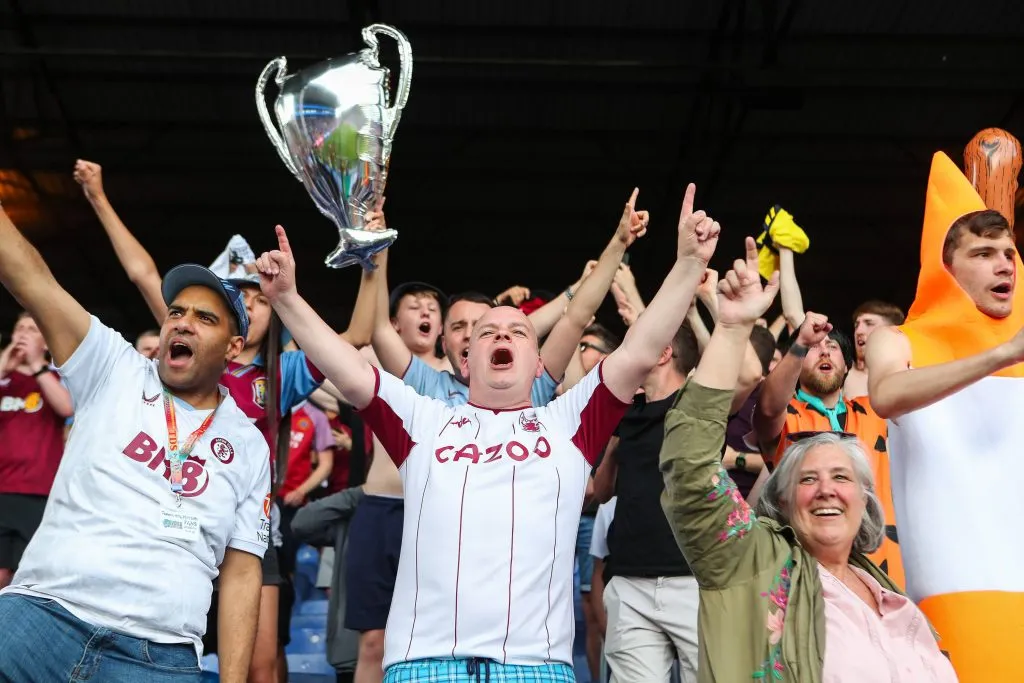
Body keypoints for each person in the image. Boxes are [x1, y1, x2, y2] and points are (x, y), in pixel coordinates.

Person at [255, 181, 719, 681]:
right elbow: (346, 368)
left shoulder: (570, 424)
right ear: (465, 358)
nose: (502, 334)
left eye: (518, 330)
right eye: (486, 333)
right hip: (422, 667)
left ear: (538, 360)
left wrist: (689, 264)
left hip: (534, 670)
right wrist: (286, 300)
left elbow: (640, 350)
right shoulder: (423, 420)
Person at [659, 236, 956, 682]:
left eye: (841, 476)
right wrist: (734, 327)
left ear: (865, 497)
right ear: (781, 495)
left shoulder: (891, 595)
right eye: (807, 479)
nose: (826, 490)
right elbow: (692, 469)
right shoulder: (754, 562)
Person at [0, 205, 270, 682]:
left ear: (233, 347)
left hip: (157, 655)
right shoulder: (112, 366)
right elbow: (32, 279)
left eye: (205, 318)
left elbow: (243, 571)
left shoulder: (249, 444)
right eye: (176, 312)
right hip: (41, 618)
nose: (182, 323)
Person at [865, 152, 1024, 682]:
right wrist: (1000, 356)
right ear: (946, 266)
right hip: (953, 579)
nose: (1005, 263)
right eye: (984, 253)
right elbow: (885, 394)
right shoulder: (902, 339)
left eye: (1009, 252)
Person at [753, 313, 902, 585]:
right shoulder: (786, 415)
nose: (824, 351)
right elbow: (767, 407)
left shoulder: (875, 409)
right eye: (814, 348)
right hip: (807, 574)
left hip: (881, 570)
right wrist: (799, 343)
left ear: (847, 367)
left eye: (833, 347)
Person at [0, 313, 73, 589]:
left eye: (32, 329)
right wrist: (5, 368)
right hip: (2, 488)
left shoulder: (56, 376)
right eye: (19, 327)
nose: (23, 333)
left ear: (44, 341)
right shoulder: (4, 376)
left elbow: (66, 409)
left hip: (38, 490)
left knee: (25, 575)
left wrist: (36, 365)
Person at [843, 302, 905, 398]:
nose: (858, 331)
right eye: (856, 325)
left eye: (869, 324)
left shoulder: (910, 379)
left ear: (893, 331)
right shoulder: (841, 376)